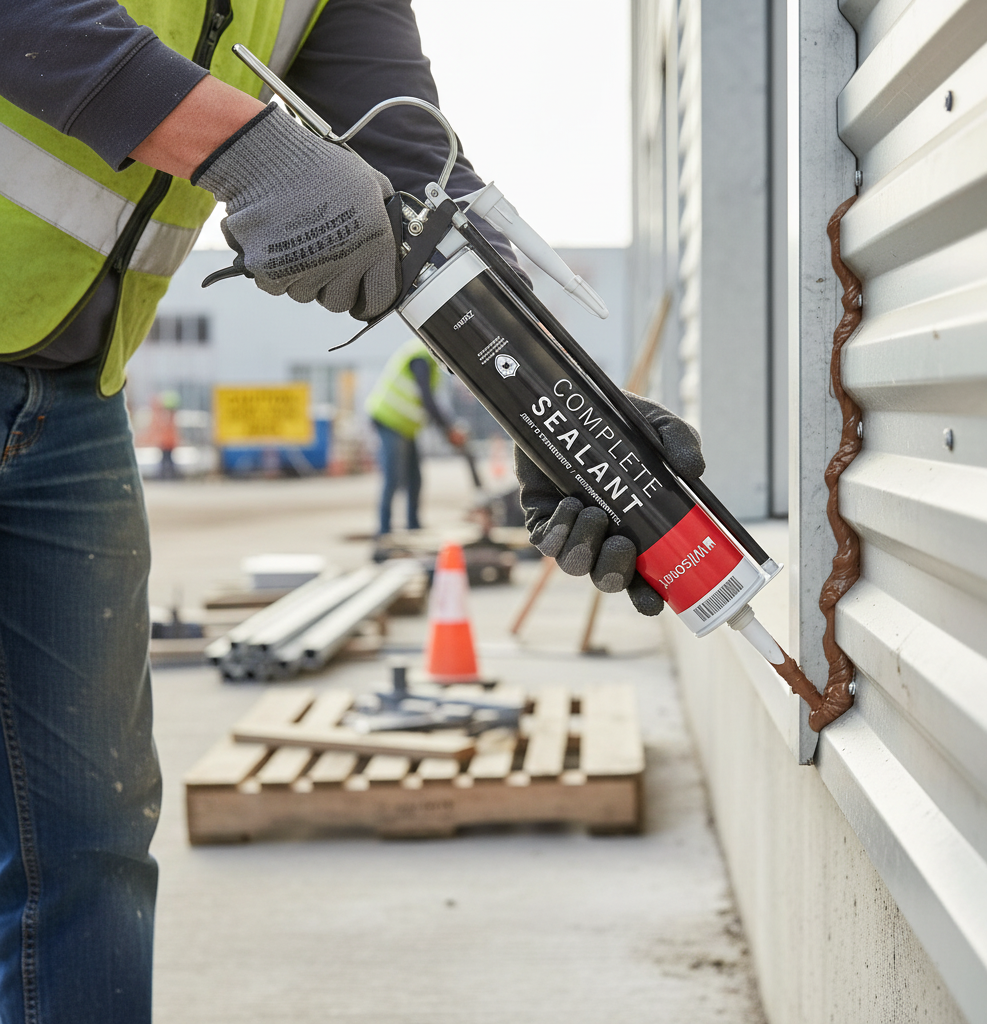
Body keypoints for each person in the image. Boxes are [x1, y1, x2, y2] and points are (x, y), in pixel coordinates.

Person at [0, 3, 521, 1021]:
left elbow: (418, 184)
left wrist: (558, 412)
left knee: (88, 839)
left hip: (70, 400)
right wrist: (246, 147)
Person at [365, 337, 467, 536]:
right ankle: (384, 530)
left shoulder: (430, 361)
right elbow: (427, 399)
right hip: (390, 419)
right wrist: (448, 429)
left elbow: (428, 402)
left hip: (406, 426)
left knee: (415, 478)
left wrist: (447, 428)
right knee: (393, 477)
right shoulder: (421, 357)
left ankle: (413, 525)